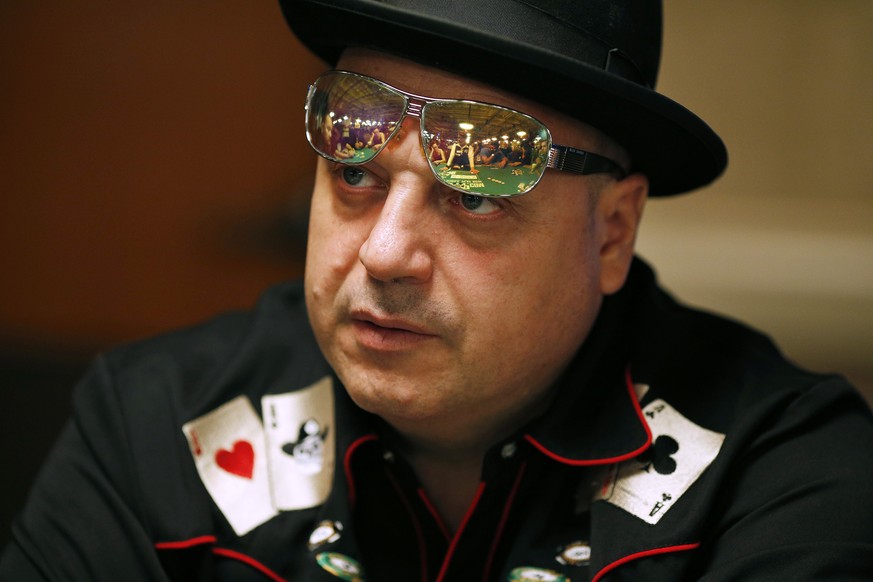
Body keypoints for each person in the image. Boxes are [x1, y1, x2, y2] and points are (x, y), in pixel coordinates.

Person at [3, 1, 873, 581]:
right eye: (354, 172)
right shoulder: (156, 423)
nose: (383, 254)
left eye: (475, 194)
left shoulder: (780, 477)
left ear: (610, 232)